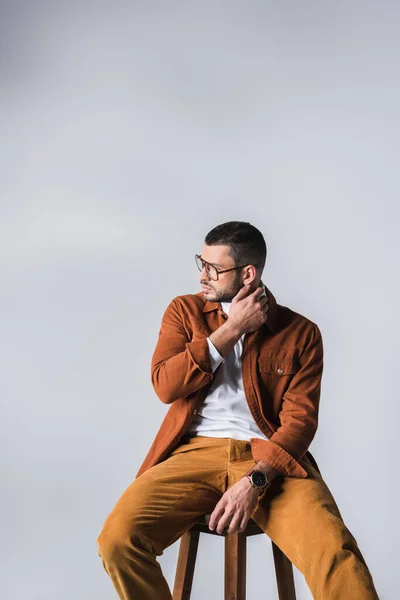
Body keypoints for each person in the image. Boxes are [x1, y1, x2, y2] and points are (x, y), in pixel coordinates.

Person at [96, 220, 380, 599]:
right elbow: (166, 385)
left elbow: (300, 422)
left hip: (270, 459)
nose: (202, 276)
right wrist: (231, 329)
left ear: (248, 273)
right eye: (201, 263)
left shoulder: (300, 333)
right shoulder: (184, 312)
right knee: (118, 541)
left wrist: (256, 480)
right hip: (194, 453)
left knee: (336, 555)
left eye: (214, 269)